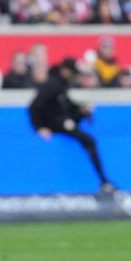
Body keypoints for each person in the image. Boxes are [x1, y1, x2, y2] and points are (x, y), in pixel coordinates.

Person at [29, 58, 115, 193]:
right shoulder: (52, 85)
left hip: (62, 122)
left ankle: (103, 180)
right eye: (72, 72)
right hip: (57, 125)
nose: (73, 75)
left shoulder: (60, 84)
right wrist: (39, 128)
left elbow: (65, 105)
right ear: (65, 70)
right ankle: (103, 180)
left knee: (86, 135)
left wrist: (81, 109)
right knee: (89, 140)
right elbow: (34, 106)